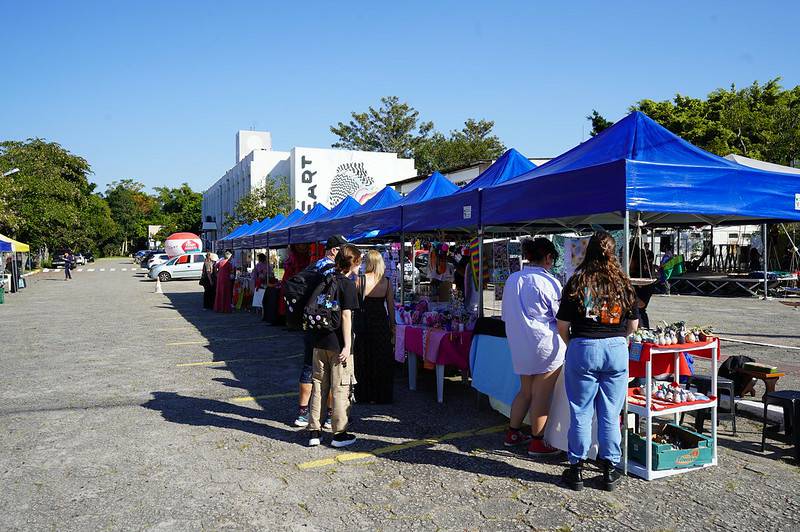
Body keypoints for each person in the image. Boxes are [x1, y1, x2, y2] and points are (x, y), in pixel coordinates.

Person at [556, 231, 639, 492]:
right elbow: (633, 325)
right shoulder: (623, 283)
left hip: (583, 346)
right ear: (613, 253)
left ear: (587, 251)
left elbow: (562, 325)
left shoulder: (577, 281)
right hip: (615, 348)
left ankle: (576, 468)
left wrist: (573, 344)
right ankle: (609, 470)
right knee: (610, 413)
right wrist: (618, 339)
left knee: (580, 411)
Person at [501, 238, 565, 456]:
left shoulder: (513, 278)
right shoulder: (549, 282)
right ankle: (538, 442)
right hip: (545, 344)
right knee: (541, 395)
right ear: (548, 257)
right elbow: (561, 316)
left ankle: (513, 433)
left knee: (526, 391)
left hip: (519, 342)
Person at [307, 243, 362, 448]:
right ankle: (339, 434)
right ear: (353, 262)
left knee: (319, 385)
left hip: (319, 340)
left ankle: (314, 431)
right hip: (338, 344)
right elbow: (347, 316)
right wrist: (348, 346)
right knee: (340, 388)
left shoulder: (325, 278)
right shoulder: (347, 284)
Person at [293, 236, 346, 428]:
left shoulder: (314, 266)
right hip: (328, 325)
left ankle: (302, 413)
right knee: (332, 371)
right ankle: (330, 416)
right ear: (333, 251)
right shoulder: (334, 270)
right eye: (342, 249)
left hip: (310, 322)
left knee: (308, 366)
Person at [354, 250, 396, 404]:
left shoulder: (360, 280)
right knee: (381, 358)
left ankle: (365, 394)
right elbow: (391, 306)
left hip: (364, 321)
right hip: (380, 322)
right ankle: (381, 394)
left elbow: (355, 304)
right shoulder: (386, 282)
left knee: (364, 357)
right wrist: (393, 325)